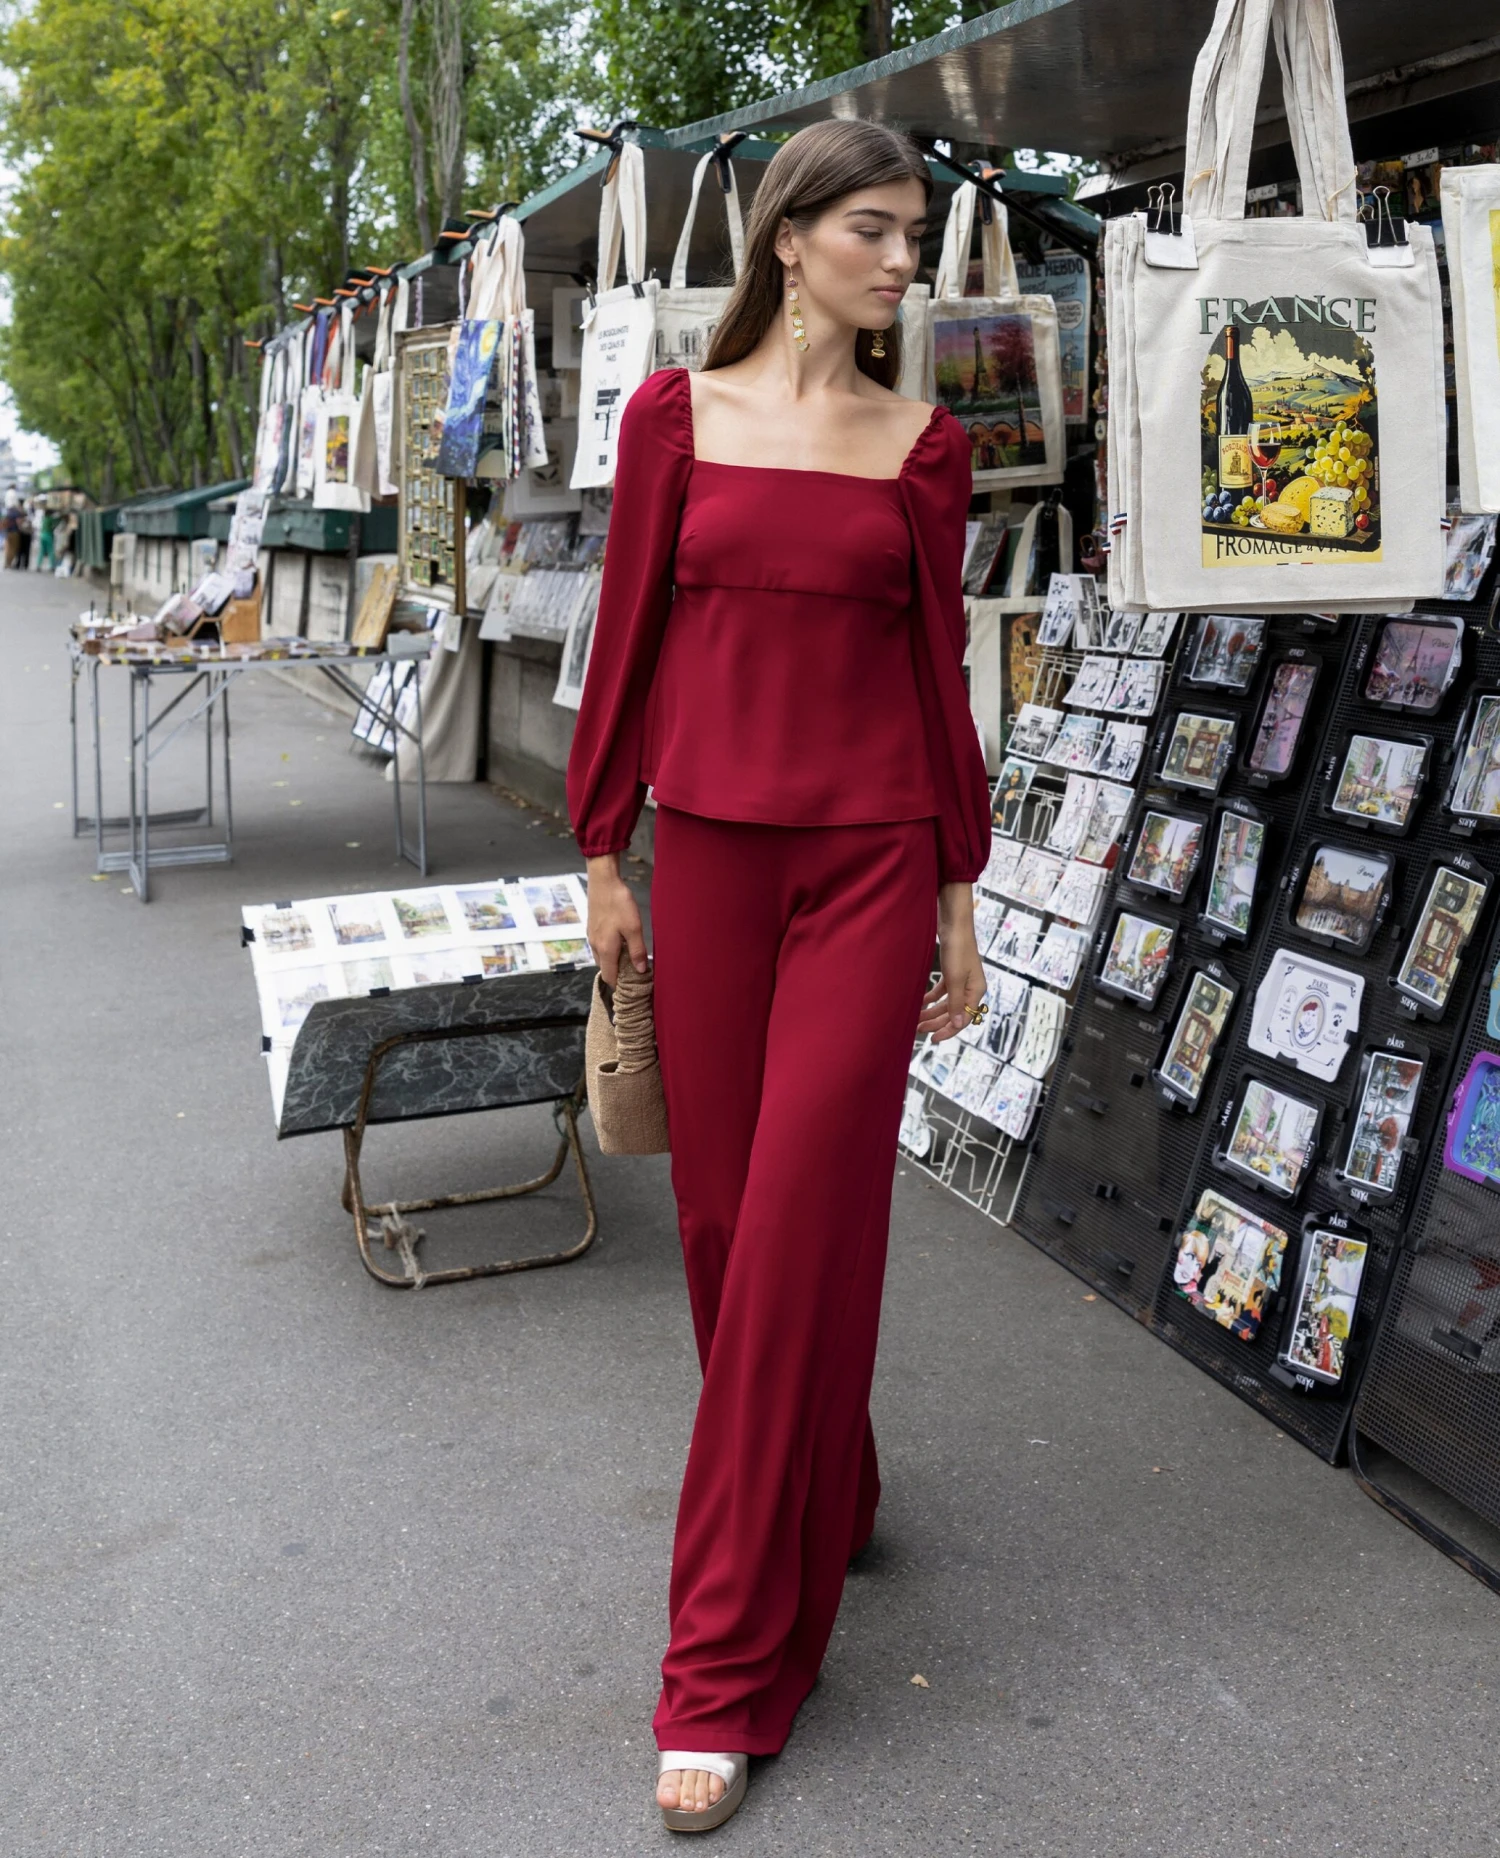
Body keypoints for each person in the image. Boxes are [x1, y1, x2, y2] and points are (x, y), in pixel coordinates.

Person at [565, 118, 991, 1833]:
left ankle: (721, 1669)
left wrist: (962, 884)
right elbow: (626, 639)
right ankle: (837, 1475)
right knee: (733, 1235)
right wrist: (602, 851)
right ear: (791, 234)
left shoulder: (927, 445)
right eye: (881, 232)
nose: (908, 264)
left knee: (807, 1210)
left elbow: (942, 674)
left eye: (917, 237)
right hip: (712, 855)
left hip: (874, 861)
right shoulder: (675, 417)